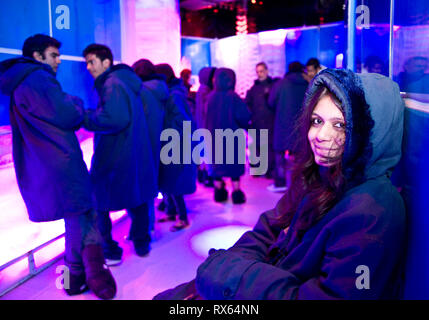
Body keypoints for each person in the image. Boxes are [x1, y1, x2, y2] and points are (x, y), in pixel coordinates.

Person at [153, 68, 407, 300]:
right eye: (317, 121)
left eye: (340, 125)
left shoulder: (373, 211)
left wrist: (235, 275)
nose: (319, 135)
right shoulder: (321, 175)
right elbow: (271, 225)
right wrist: (231, 265)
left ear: (370, 134)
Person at [0, 34, 116, 299]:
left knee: (79, 217)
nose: (59, 60)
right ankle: (75, 278)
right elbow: (69, 113)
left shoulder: (21, 81)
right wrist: (74, 101)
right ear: (38, 56)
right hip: (60, 162)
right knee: (78, 218)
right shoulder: (38, 78)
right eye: (54, 55)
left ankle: (85, 275)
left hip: (48, 163)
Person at [82, 44, 157, 263]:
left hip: (114, 154)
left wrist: (85, 117)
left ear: (106, 62)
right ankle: (142, 243)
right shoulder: (126, 82)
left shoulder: (111, 84)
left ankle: (110, 250)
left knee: (99, 201)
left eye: (92, 61)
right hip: (132, 153)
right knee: (137, 198)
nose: (88, 67)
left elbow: (115, 119)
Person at [155, 63, 197, 231]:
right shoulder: (172, 93)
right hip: (171, 141)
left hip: (175, 142)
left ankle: (183, 217)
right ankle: (172, 212)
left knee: (174, 182)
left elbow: (181, 120)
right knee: (168, 180)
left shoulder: (174, 95)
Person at [205, 67, 251, 204]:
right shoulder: (233, 97)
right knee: (234, 165)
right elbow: (244, 116)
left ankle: (219, 192)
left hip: (214, 138)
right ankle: (236, 193)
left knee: (217, 165)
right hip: (232, 137)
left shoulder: (210, 97)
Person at [267, 61, 308, 192]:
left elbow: (271, 102)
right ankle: (299, 183)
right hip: (300, 126)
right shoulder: (307, 84)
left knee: (279, 155)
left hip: (282, 126)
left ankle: (280, 183)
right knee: (299, 156)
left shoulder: (280, 84)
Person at [245, 62, 277, 179]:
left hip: (270, 120)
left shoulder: (273, 85)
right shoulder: (253, 88)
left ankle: (269, 170)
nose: (260, 74)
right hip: (257, 121)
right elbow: (247, 104)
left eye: (262, 71)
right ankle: (257, 169)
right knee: (256, 146)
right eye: (258, 72)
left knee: (268, 147)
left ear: (267, 71)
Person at [195, 66, 217, 187]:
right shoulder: (205, 91)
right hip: (206, 126)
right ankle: (208, 176)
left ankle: (204, 174)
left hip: (202, 125)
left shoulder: (202, 90)